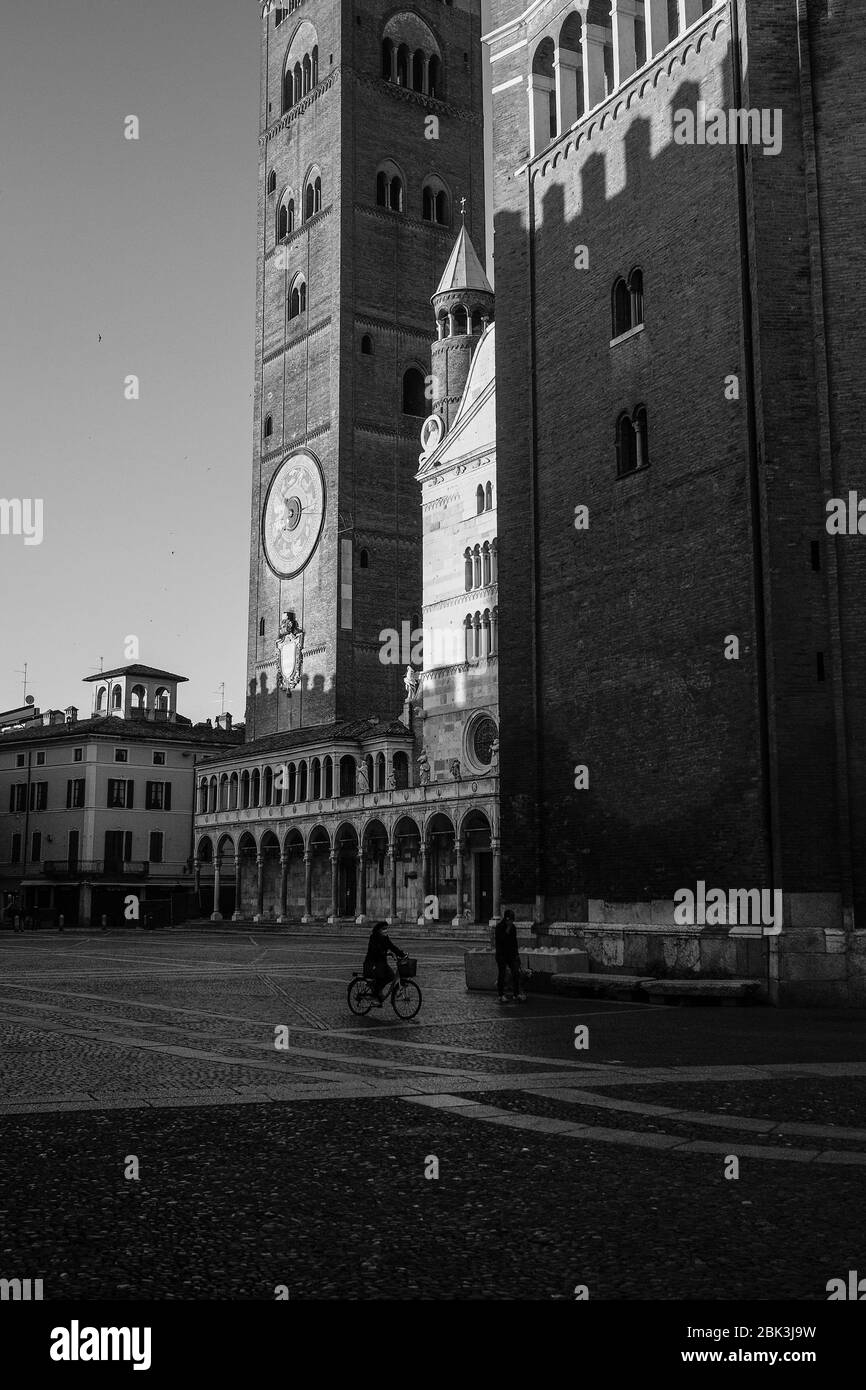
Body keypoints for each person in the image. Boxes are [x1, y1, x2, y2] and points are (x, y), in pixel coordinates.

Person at [363, 920, 406, 1007]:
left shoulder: (385, 938)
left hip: (382, 963)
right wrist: (386, 953)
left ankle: (378, 991)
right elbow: (375, 950)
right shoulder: (374, 937)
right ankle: (375, 996)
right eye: (384, 929)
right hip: (372, 964)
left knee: (391, 976)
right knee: (380, 977)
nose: (385, 930)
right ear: (379, 930)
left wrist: (401, 954)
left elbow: (392, 946)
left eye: (386, 928)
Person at [494, 908, 524, 1003]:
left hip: (511, 955)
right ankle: (501, 995)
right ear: (506, 919)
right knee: (502, 974)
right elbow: (500, 940)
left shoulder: (513, 928)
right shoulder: (499, 927)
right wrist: (507, 930)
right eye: (509, 920)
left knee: (515, 973)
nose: (511, 922)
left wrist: (516, 954)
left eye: (512, 920)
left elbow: (514, 942)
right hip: (501, 954)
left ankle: (516, 994)